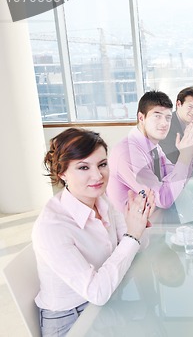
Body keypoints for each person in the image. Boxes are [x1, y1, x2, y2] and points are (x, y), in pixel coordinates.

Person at [32, 128, 155, 336]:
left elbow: (137, 246)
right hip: (70, 320)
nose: (97, 175)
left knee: (153, 316)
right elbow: (97, 292)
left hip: (105, 301)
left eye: (102, 164)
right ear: (62, 173)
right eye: (83, 167)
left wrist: (138, 221)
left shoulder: (101, 200)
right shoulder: (51, 227)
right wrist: (133, 235)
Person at [107, 90, 193, 212]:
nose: (164, 123)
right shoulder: (127, 154)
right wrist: (184, 156)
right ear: (141, 118)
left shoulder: (153, 146)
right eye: (157, 116)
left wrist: (189, 152)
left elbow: (177, 179)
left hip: (153, 217)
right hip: (131, 227)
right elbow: (163, 199)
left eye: (168, 118)